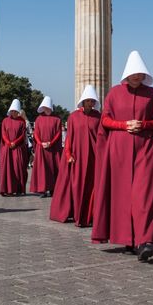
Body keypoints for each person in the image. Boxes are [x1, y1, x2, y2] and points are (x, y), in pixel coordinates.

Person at [92, 50, 153, 262]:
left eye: (140, 73)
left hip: (146, 148)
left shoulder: (152, 95)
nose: (137, 76)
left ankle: (145, 240)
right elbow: (105, 120)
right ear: (127, 74)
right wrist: (124, 125)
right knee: (122, 195)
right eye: (134, 73)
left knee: (145, 194)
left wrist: (143, 124)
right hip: (120, 150)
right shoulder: (114, 93)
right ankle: (128, 238)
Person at [50, 85, 102, 227]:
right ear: (83, 101)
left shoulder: (99, 117)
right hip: (77, 158)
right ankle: (76, 213)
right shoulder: (73, 117)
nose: (90, 103)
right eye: (88, 101)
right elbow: (69, 138)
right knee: (76, 186)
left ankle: (90, 215)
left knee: (92, 187)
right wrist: (68, 154)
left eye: (92, 101)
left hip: (93, 158)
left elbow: (102, 138)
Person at [30, 96, 62, 197]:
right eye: (45, 107)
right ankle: (42, 189)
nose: (47, 109)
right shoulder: (39, 119)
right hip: (42, 148)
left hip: (53, 149)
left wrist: (50, 143)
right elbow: (36, 133)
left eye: (48, 107)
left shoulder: (57, 119)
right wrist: (40, 143)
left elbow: (58, 133)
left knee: (53, 168)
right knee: (42, 169)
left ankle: (53, 188)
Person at [0, 99, 29, 196]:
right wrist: (8, 142)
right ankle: (6, 189)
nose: (14, 113)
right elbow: (3, 133)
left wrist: (15, 142)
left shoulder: (22, 122)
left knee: (18, 168)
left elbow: (22, 135)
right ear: (10, 111)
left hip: (18, 148)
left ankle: (18, 189)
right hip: (7, 148)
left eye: (16, 111)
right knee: (6, 168)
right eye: (12, 111)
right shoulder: (5, 121)